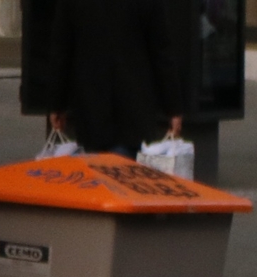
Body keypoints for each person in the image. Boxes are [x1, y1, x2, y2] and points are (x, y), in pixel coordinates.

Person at [46, 0, 183, 159]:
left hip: (91, 107)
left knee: (95, 172)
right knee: (125, 173)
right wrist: (173, 108)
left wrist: (57, 104)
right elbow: (161, 53)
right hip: (134, 107)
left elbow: (61, 52)